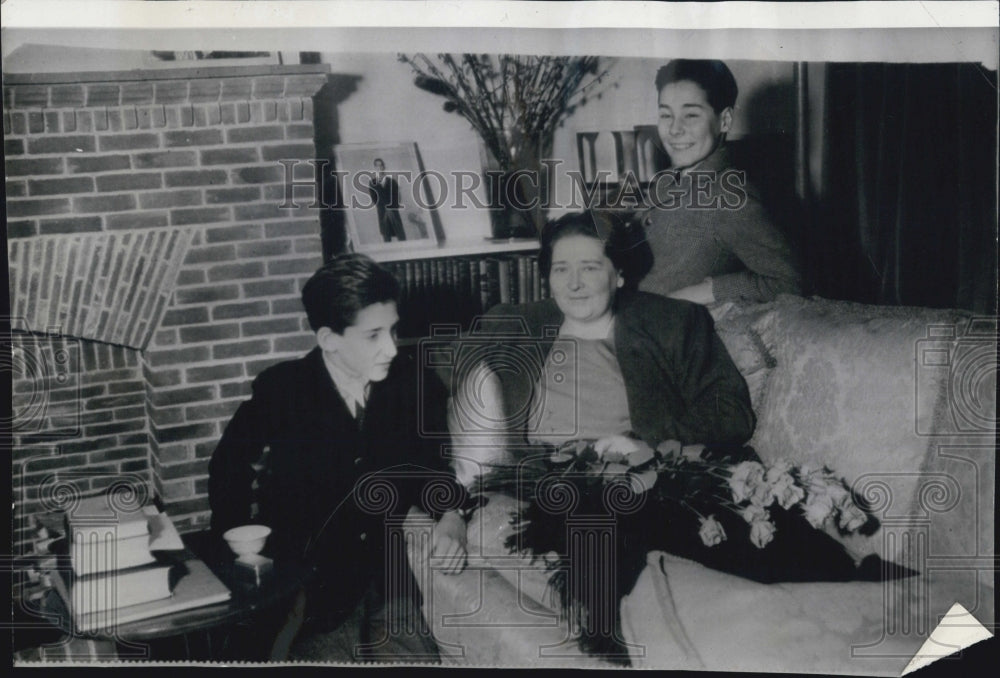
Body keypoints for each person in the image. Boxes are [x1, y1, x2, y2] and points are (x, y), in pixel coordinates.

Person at [208, 254, 469, 662]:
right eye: (373, 335)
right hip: (310, 589)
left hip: (388, 579)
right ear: (329, 339)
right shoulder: (282, 390)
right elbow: (228, 466)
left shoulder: (412, 382)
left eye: (394, 330)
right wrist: (241, 550)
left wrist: (451, 515)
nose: (391, 347)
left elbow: (431, 465)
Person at [639, 59, 802, 304]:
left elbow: (792, 281)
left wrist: (704, 292)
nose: (674, 129)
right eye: (665, 115)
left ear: (724, 121)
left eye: (691, 115)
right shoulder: (669, 181)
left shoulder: (730, 197)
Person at [368, 158, 407, 242]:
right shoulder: (372, 183)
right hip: (382, 212)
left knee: (401, 236)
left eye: (381, 165)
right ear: (375, 168)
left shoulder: (392, 181)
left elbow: (397, 198)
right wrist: (384, 208)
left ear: (384, 166)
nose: (379, 167)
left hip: (393, 211)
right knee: (386, 236)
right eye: (377, 165)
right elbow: (374, 199)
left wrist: (391, 207)